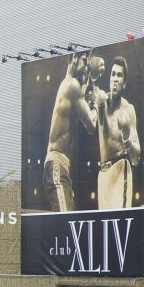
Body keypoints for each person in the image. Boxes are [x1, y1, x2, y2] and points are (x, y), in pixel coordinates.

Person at [42, 51, 100, 211]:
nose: (88, 65)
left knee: (68, 220)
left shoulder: (68, 84)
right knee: (66, 221)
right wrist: (96, 102)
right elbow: (91, 125)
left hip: (60, 166)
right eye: (85, 59)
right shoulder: (72, 85)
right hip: (57, 165)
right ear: (73, 58)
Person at [95, 56, 141, 210]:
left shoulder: (128, 110)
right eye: (113, 74)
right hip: (102, 174)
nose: (115, 79)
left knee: (119, 223)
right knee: (105, 227)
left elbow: (137, 157)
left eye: (119, 75)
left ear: (124, 83)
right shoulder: (101, 101)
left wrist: (126, 134)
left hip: (120, 168)